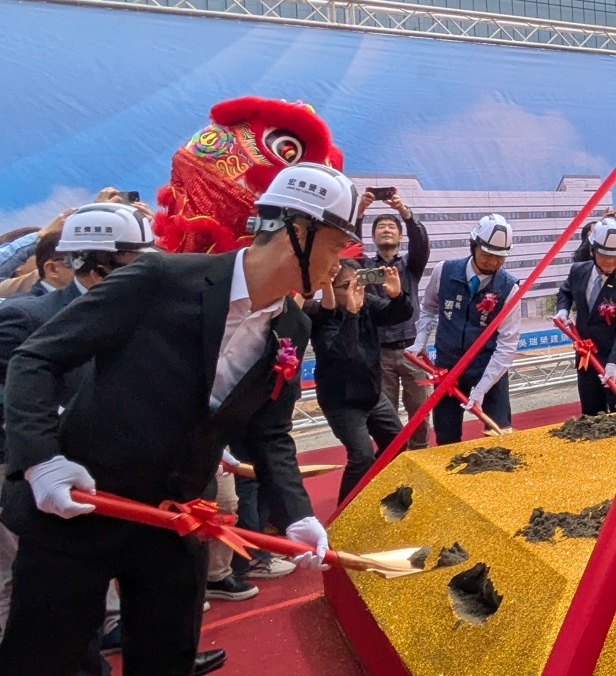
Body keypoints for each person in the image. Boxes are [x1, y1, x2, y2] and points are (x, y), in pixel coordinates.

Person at [0, 165, 355, 676]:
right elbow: (34, 359)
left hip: (175, 518)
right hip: (79, 505)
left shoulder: (292, 326)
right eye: (337, 246)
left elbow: (271, 432)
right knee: (44, 660)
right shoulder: (161, 280)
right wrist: (42, 461)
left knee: (169, 659)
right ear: (299, 233)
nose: (339, 265)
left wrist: (297, 513)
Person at [0, 204, 155, 651]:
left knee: (90, 590)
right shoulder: (26, 317)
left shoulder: (130, 315)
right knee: (26, 585)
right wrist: (53, 426)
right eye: (136, 260)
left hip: (96, 473)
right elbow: (15, 391)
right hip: (29, 470)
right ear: (97, 262)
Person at [411, 214, 520, 443]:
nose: (493, 263)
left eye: (500, 257)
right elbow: (429, 308)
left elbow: (507, 344)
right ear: (473, 246)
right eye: (487, 255)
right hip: (448, 368)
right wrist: (420, 340)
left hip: (488, 367)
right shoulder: (444, 272)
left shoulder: (509, 289)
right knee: (446, 436)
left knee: (499, 435)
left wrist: (481, 388)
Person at [309, 256, 409, 501]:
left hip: (372, 395)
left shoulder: (368, 303)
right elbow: (344, 354)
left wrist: (397, 296)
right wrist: (352, 314)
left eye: (358, 284)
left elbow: (398, 315)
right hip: (341, 402)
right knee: (361, 455)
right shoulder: (322, 316)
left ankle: (373, 488)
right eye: (345, 287)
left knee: (397, 442)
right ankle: (345, 510)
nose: (355, 291)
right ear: (330, 289)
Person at [360, 189, 432, 450]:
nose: (386, 229)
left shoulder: (411, 266)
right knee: (383, 417)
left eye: (392, 226)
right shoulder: (367, 268)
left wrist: (405, 212)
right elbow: (350, 248)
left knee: (421, 412)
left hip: (413, 350)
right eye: (380, 227)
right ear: (373, 236)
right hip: (379, 353)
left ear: (401, 237)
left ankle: (420, 455)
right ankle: (391, 460)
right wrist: (359, 212)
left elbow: (421, 243)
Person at [556, 219, 616, 414]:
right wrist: (563, 310)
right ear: (592, 250)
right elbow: (565, 292)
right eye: (605, 255)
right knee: (591, 416)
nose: (611, 261)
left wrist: (613, 364)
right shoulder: (578, 271)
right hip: (587, 360)